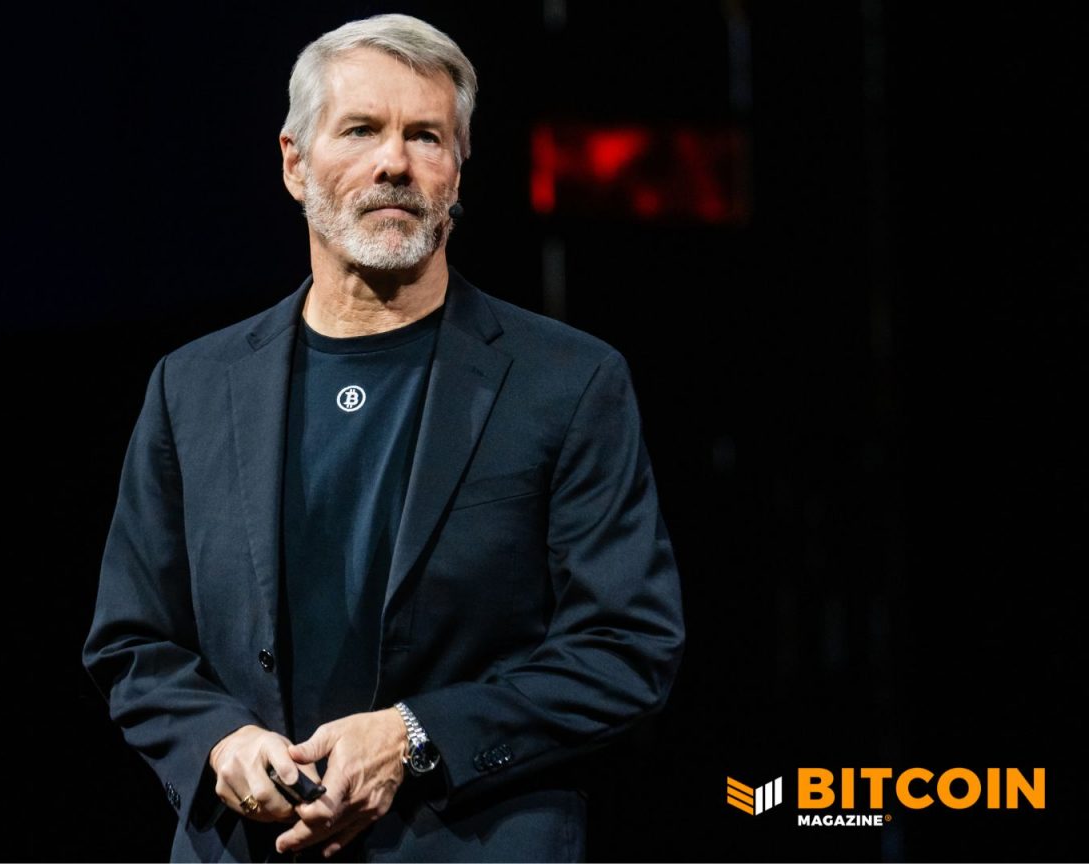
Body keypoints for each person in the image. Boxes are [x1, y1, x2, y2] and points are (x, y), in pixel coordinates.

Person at [82, 13, 684, 862]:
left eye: (426, 136)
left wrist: (414, 734)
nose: (395, 161)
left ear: (458, 168)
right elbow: (133, 640)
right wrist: (219, 742)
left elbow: (626, 648)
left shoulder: (569, 381)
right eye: (361, 129)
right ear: (294, 162)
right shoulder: (193, 386)